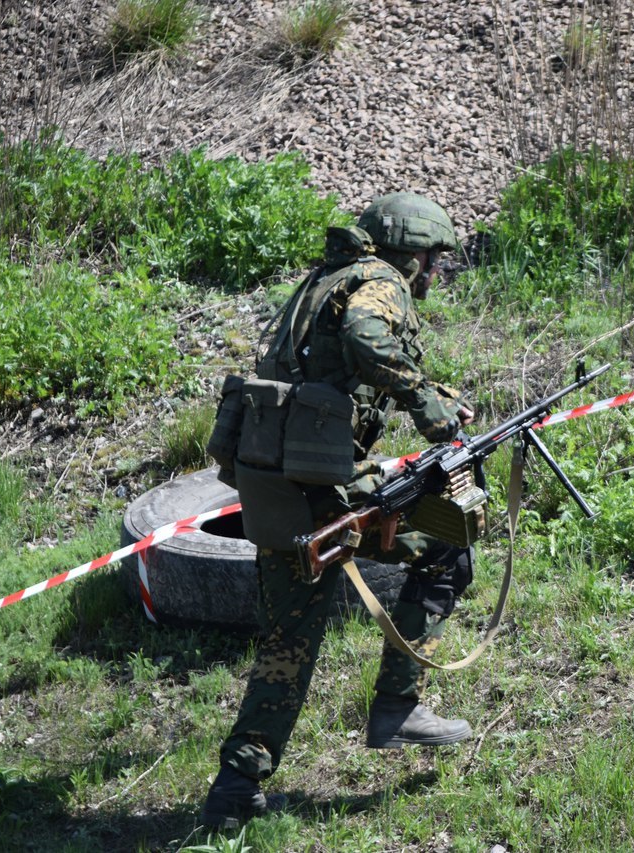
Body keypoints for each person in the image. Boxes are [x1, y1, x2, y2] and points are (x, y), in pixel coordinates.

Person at [201, 192, 477, 828]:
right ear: (411, 253)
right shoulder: (381, 281)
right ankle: (397, 708)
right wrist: (430, 412)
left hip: (276, 483)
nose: (433, 272)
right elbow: (366, 337)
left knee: (288, 643)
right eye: (432, 258)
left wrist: (432, 392)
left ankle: (236, 789)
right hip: (322, 495)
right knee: (446, 541)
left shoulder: (327, 279)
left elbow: (334, 366)